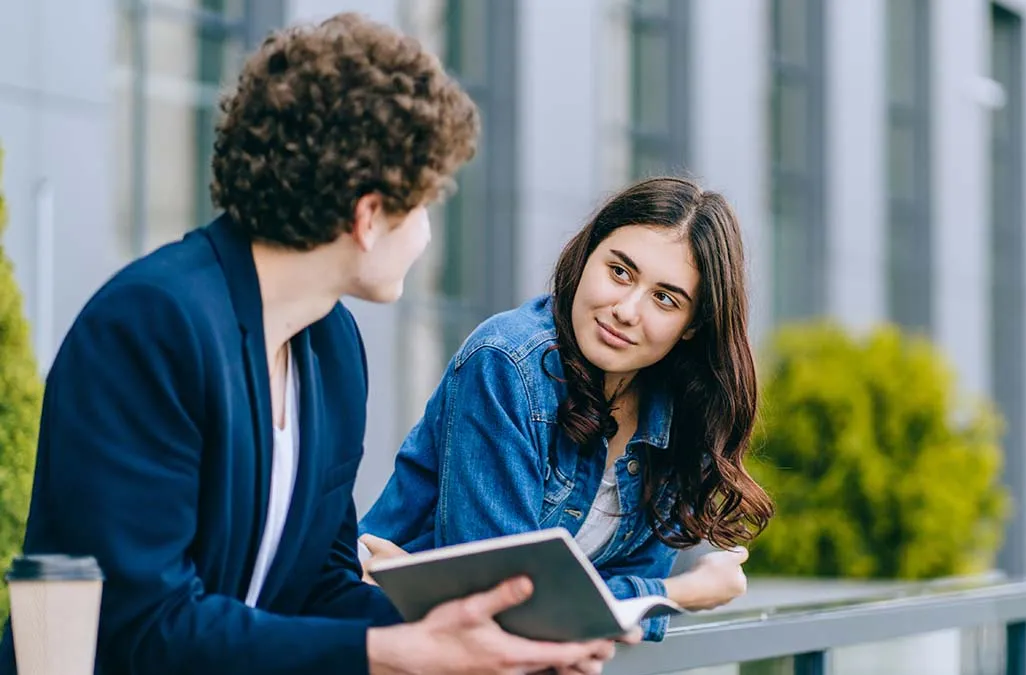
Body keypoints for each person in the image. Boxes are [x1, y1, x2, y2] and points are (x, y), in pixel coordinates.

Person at [0, 13, 621, 675]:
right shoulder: (151, 325)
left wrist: (489, 642)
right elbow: (143, 626)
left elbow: (317, 587)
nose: (425, 234)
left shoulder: (332, 347)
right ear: (369, 216)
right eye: (423, 206)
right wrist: (391, 652)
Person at [359, 176, 777, 641]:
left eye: (664, 299)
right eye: (619, 272)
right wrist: (682, 592)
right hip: (386, 638)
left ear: (692, 326)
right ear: (587, 256)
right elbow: (500, 598)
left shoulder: (682, 413)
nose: (626, 310)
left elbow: (609, 621)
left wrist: (604, 607)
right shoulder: (507, 363)